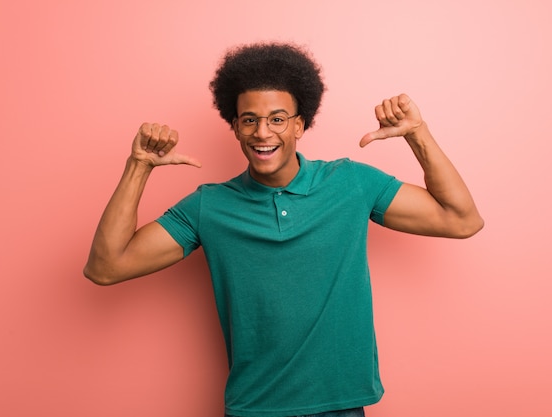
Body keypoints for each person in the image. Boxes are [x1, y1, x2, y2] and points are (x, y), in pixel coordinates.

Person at [84, 42, 483, 417]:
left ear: (300, 125)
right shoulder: (210, 206)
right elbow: (106, 267)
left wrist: (417, 133)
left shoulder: (351, 184)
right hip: (254, 406)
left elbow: (461, 219)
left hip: (341, 405)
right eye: (250, 120)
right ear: (235, 127)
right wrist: (139, 166)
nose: (262, 133)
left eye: (277, 119)